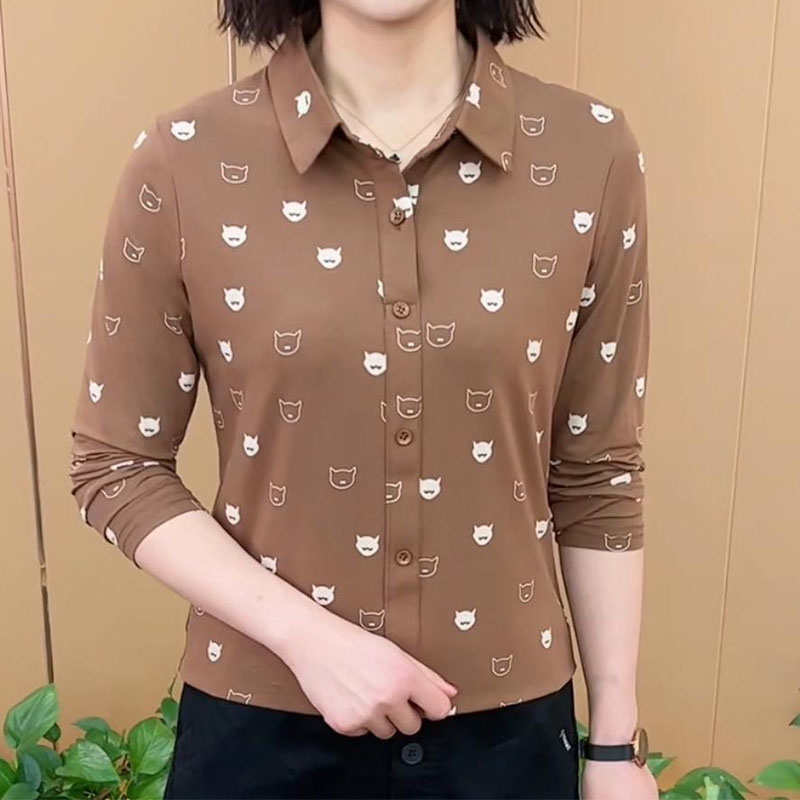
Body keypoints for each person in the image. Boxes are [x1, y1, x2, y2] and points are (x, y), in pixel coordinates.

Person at [67, 0, 659, 797]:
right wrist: (307, 639)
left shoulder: (590, 153)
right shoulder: (185, 160)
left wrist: (615, 748)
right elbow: (117, 464)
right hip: (259, 739)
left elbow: (598, 468)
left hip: (508, 745)